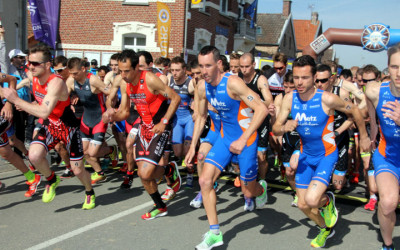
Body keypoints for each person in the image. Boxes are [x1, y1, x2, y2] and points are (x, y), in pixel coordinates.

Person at [272, 55, 370, 248]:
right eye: (297, 77)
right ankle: (326, 229)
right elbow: (275, 127)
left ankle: (327, 201)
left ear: (314, 77)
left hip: (326, 155)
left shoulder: (327, 98)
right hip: (305, 154)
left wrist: (365, 136)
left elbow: (356, 111)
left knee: (311, 199)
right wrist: (284, 127)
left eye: (305, 78)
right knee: (302, 204)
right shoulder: (290, 99)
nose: (299, 82)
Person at [185, 46, 268, 249]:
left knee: (249, 192)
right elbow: (202, 116)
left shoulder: (233, 83)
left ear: (219, 64)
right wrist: (193, 146)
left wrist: (243, 139)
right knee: (205, 181)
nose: (204, 71)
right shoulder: (202, 87)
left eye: (208, 65)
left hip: (245, 139)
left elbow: (262, 108)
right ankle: (215, 233)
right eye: (201, 66)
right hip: (224, 138)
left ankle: (261, 188)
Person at [3, 44, 96, 209]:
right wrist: (21, 102)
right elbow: (15, 86)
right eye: (29, 62)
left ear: (47, 65)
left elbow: (44, 110)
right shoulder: (32, 77)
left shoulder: (56, 83)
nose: (30, 66)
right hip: (50, 125)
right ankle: (52, 178)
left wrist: (18, 101)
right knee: (34, 155)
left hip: (68, 127)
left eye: (35, 63)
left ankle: (89, 191)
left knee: (78, 170)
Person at [102, 49, 182, 220]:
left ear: (137, 67)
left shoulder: (151, 79)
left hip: (161, 126)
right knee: (145, 174)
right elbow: (124, 112)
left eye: (126, 71)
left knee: (145, 174)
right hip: (144, 126)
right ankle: (161, 203)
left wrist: (164, 122)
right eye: (120, 71)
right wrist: (112, 115)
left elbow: (175, 98)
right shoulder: (125, 83)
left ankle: (168, 173)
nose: (123, 75)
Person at [365, 43, 400, 250]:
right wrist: (372, 131)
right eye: (395, 67)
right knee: (387, 203)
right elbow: (370, 105)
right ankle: (388, 246)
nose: (399, 73)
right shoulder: (374, 90)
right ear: (387, 67)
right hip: (388, 156)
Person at [66, 57, 114, 185]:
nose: (73, 76)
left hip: (99, 119)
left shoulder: (93, 80)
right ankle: (99, 173)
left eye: (75, 73)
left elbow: (109, 93)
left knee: (91, 153)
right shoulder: (71, 81)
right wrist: (71, 97)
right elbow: (63, 94)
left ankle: (111, 150)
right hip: (86, 119)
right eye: (71, 73)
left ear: (83, 69)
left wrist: (109, 109)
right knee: (84, 152)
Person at [0, 73, 41, 198]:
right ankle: (32, 177)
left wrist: (8, 103)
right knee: (6, 152)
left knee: (10, 145)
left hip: (2, 116)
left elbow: (12, 79)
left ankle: (32, 173)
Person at [315, 64, 353, 192]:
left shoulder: (341, 93)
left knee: (337, 185)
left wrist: (337, 132)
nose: (319, 84)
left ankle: (343, 178)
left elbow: (351, 117)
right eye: (317, 80)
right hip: (321, 143)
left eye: (323, 80)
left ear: (331, 78)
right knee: (320, 180)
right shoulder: (312, 94)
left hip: (339, 140)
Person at [239, 52, 273, 190]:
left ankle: (263, 180)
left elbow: (269, 100)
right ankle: (247, 178)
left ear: (254, 65)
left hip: (260, 120)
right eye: (241, 67)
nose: (244, 70)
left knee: (261, 156)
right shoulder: (238, 79)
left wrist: (252, 102)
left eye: (247, 66)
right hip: (244, 120)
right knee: (243, 152)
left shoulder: (260, 79)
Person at [168, 56, 195, 192]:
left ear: (184, 70)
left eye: (177, 70)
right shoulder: (169, 81)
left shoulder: (190, 83)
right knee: (178, 153)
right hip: (177, 120)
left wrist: (196, 102)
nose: (174, 73)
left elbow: (201, 96)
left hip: (189, 119)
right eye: (172, 70)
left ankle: (190, 174)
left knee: (187, 152)